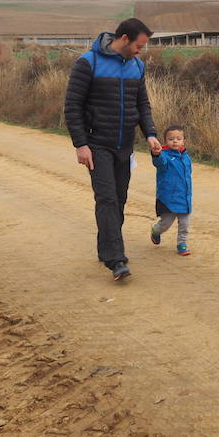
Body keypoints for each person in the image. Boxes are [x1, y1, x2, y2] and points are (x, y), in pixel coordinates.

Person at [64, 18, 161, 281]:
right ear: (125, 39)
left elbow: (142, 104)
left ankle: (105, 247)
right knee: (106, 199)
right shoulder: (89, 62)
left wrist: (150, 134)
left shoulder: (137, 65)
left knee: (119, 199)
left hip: (124, 145)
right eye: (140, 45)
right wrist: (81, 144)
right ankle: (116, 259)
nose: (142, 51)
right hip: (97, 144)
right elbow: (72, 106)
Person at [150, 125, 193, 255]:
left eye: (178, 139)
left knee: (184, 224)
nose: (175, 141)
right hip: (168, 198)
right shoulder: (165, 157)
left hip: (184, 198)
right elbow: (159, 162)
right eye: (171, 139)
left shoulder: (186, 157)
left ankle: (182, 243)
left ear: (183, 141)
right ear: (165, 142)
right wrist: (156, 154)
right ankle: (155, 231)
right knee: (165, 224)